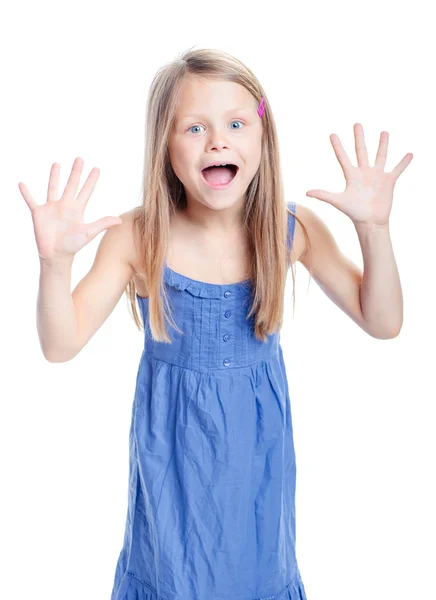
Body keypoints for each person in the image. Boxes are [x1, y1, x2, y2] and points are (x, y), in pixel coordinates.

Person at [19, 46, 411, 600]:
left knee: (253, 574)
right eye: (195, 128)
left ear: (262, 138)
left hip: (257, 460)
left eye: (234, 123)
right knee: (173, 576)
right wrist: (55, 266)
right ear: (166, 148)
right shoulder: (138, 236)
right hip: (173, 456)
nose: (218, 141)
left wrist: (375, 229)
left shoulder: (291, 231)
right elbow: (60, 345)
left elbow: (384, 320)